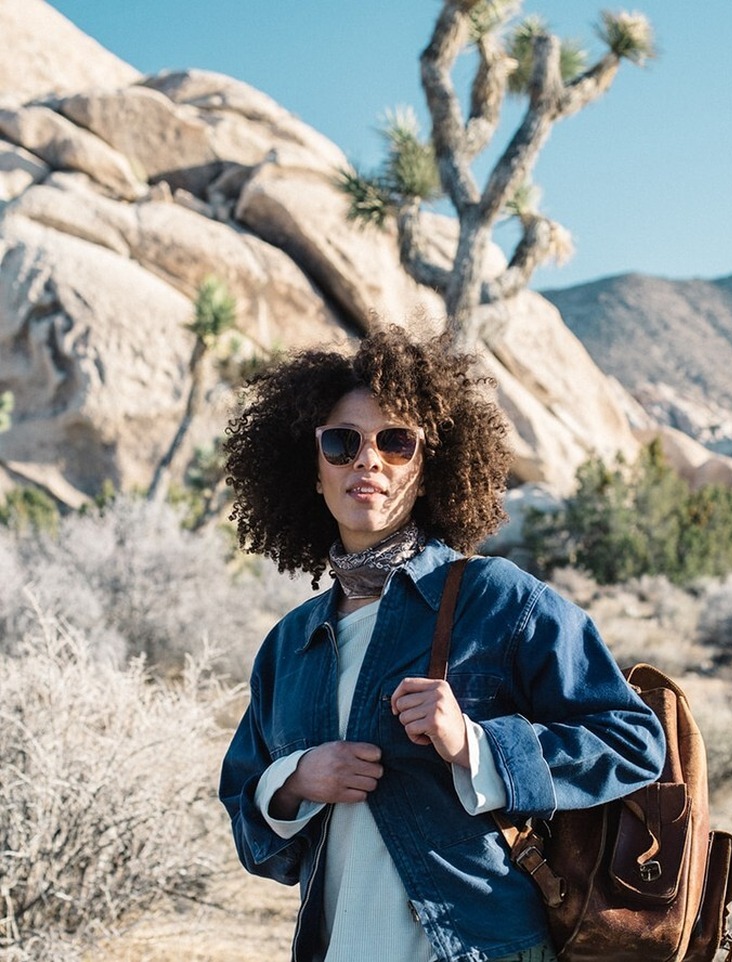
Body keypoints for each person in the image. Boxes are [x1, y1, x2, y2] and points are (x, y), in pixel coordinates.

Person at [219, 324, 666, 962]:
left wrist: (476, 745)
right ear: (313, 470)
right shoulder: (290, 644)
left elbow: (631, 740)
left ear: (428, 470)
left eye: (396, 442)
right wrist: (294, 781)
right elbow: (249, 818)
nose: (368, 461)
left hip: (479, 945)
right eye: (342, 443)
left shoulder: (499, 599)